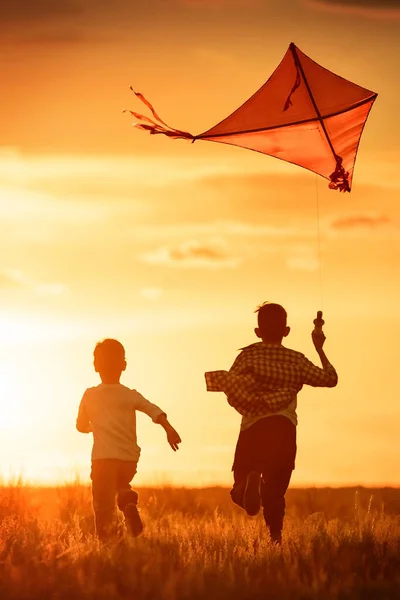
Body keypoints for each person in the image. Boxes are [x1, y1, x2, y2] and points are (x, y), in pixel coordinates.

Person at [205, 302, 338, 544]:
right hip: (284, 430)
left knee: (238, 490)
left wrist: (249, 398)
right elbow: (330, 379)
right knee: (275, 493)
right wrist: (319, 348)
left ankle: (248, 482)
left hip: (253, 430)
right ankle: (275, 541)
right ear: (286, 331)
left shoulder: (248, 356)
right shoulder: (296, 360)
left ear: (257, 333)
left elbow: (232, 384)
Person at [76, 338, 181, 542]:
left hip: (102, 460)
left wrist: (92, 427)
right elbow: (153, 410)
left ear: (95, 366)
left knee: (103, 505)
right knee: (121, 486)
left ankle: (109, 546)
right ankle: (128, 501)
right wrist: (169, 429)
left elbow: (80, 426)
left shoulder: (89, 395)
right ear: (124, 365)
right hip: (128, 461)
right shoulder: (130, 395)